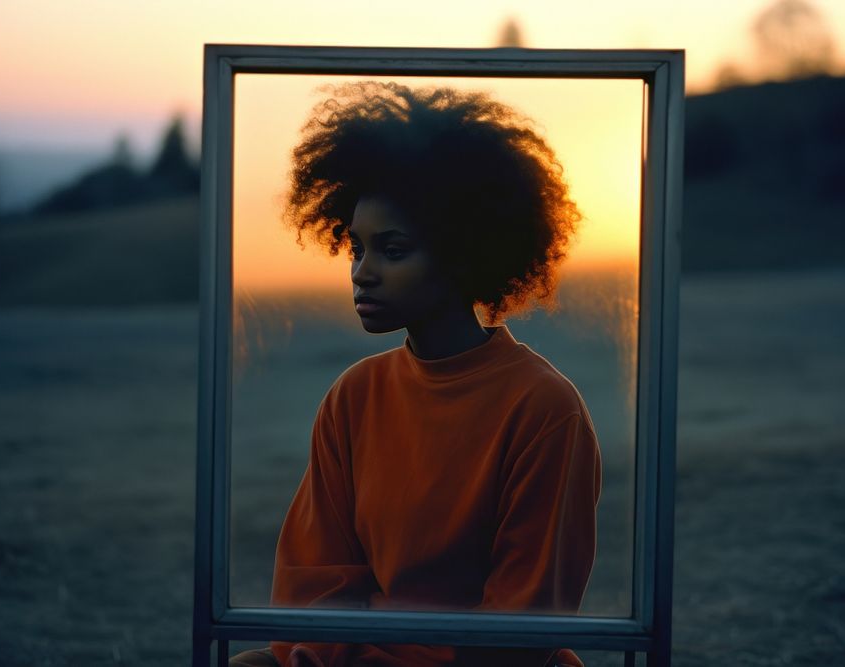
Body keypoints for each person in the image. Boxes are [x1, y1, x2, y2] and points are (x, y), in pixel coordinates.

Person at [230, 81, 602, 667]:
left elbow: (523, 623)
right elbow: (315, 575)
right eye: (356, 248)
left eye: (393, 250)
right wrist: (324, 656)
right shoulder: (354, 396)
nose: (361, 273)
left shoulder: (543, 407)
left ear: (464, 254)